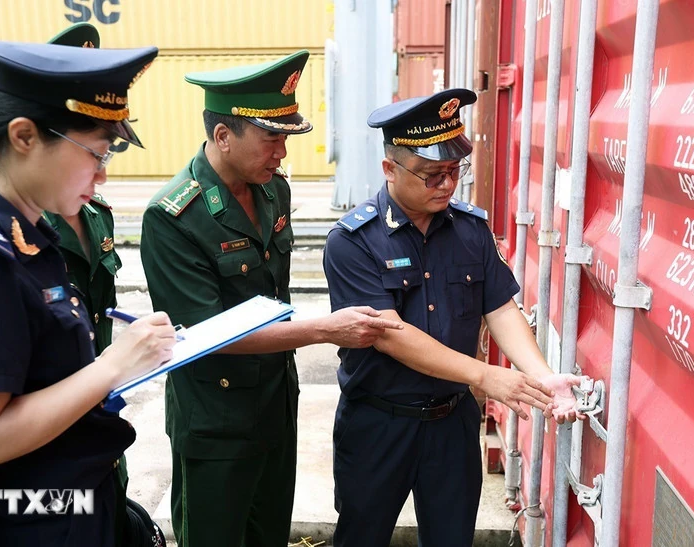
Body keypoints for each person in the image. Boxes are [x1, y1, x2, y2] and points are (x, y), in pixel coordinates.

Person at [140, 51, 403, 547]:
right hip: (216, 421)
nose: (282, 152)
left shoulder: (271, 192)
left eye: (286, 137)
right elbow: (205, 335)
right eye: (271, 138)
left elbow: (272, 298)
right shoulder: (173, 216)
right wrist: (325, 329)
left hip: (275, 407)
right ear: (223, 136)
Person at [0, 39, 177, 546]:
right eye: (95, 153)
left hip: (69, 508)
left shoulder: (29, 234)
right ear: (24, 136)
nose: (103, 174)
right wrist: (112, 366)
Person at [322, 88, 586, 547]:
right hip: (378, 424)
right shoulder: (352, 242)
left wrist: (542, 376)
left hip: (451, 423)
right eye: (430, 175)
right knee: (362, 536)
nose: (446, 184)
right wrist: (486, 376)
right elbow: (390, 335)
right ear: (390, 168)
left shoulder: (470, 229)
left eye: (453, 171)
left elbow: (500, 308)